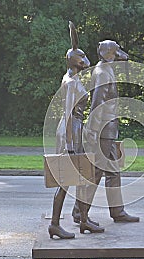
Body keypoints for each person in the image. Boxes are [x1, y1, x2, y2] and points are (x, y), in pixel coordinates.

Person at [72, 40, 140, 223]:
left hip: (108, 130)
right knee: (95, 172)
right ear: (110, 53)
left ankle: (116, 211)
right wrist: (93, 132)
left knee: (112, 171)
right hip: (102, 131)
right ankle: (79, 211)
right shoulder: (102, 72)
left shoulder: (106, 69)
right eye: (117, 51)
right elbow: (98, 104)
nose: (120, 54)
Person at [49, 21, 104, 239]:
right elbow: (69, 112)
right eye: (82, 57)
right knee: (66, 180)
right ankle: (54, 224)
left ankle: (84, 220)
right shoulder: (71, 83)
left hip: (75, 129)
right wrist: (71, 146)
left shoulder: (74, 79)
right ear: (74, 61)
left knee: (82, 176)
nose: (86, 60)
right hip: (70, 130)